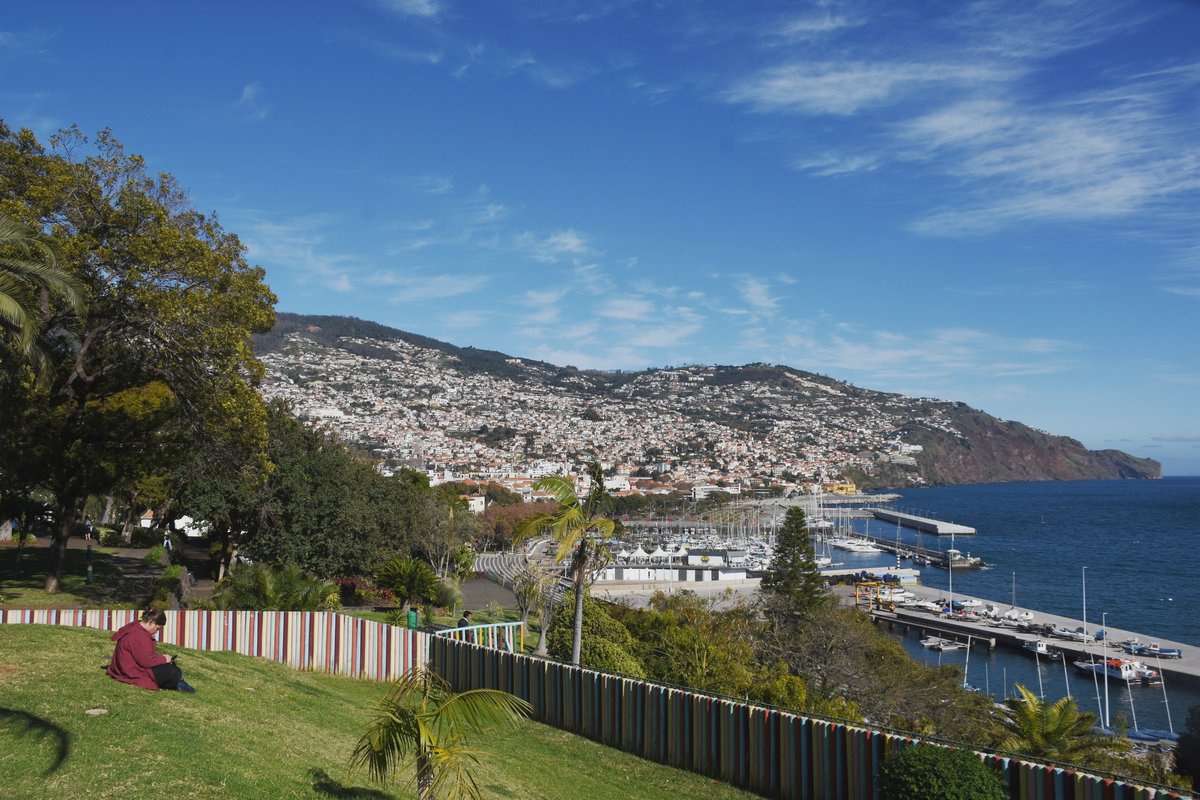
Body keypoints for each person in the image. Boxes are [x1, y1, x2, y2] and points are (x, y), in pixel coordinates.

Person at [106, 609, 195, 693]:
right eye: (157, 628)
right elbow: (146, 662)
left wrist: (162, 658)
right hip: (131, 670)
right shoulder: (140, 636)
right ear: (152, 623)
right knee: (174, 672)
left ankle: (177, 681)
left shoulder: (135, 627)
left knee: (170, 667)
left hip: (126, 666)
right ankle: (177, 683)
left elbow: (143, 655)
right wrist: (164, 659)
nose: (156, 632)